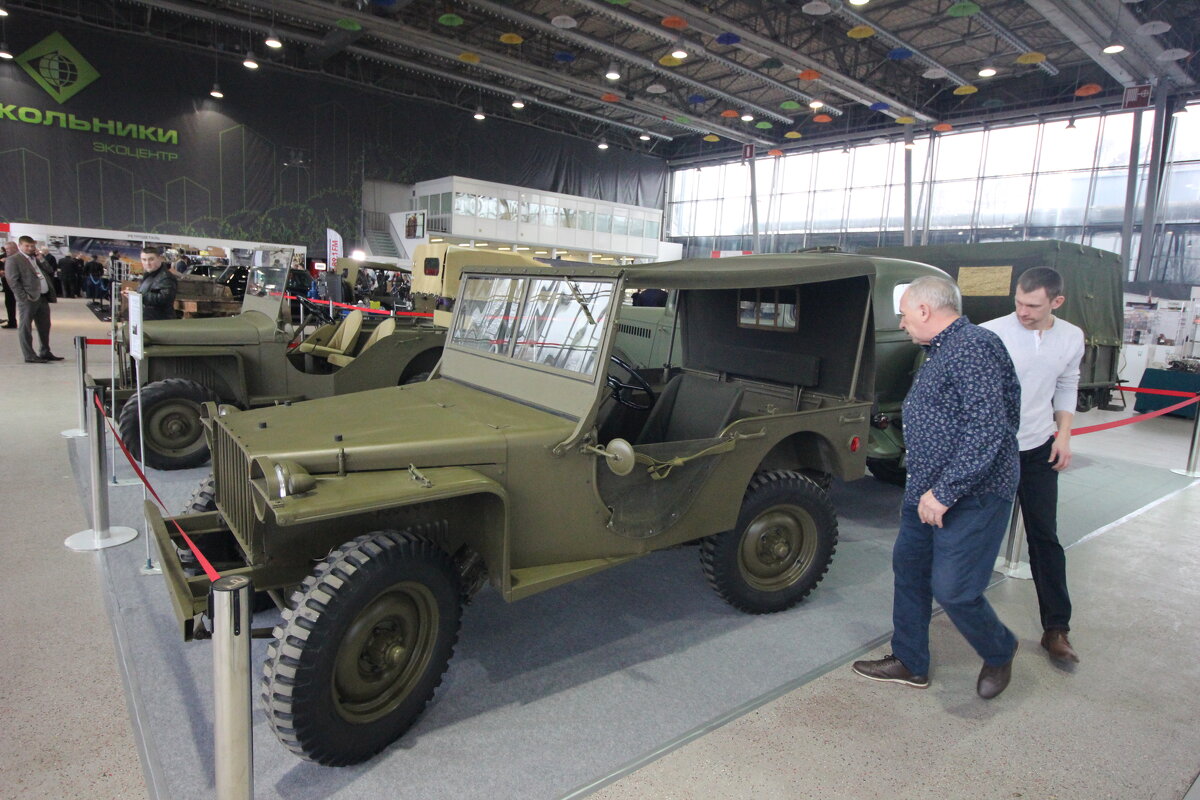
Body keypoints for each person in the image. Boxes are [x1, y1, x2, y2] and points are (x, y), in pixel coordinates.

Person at [853, 275, 1021, 699]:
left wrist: (946, 492)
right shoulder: (939, 351)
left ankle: (1000, 650)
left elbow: (989, 429)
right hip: (925, 491)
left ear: (925, 311)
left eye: (905, 315)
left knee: (955, 590)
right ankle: (910, 662)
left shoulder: (974, 347)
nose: (903, 323)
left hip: (971, 493)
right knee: (910, 572)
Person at [981, 268, 1085, 664]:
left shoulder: (1071, 337)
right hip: (993, 453)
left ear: (1056, 302)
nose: (1023, 312)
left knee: (1046, 539)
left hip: (1040, 448)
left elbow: (1067, 384)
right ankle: (968, 617)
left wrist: (1063, 435)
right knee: (979, 535)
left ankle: (1056, 629)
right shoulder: (991, 333)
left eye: (1033, 306)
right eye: (1019, 303)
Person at [6, 235, 62, 363]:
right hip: (28, 299)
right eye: (27, 246)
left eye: (32, 246)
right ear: (20, 246)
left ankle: (45, 351)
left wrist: (41, 258)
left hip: (42, 297)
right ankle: (29, 355)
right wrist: (23, 297)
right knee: (25, 327)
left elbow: (49, 270)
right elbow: (13, 281)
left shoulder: (36, 258)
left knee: (45, 326)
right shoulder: (14, 260)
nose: (30, 248)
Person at [132, 245, 178, 321]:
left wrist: (139, 296)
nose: (147, 263)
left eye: (151, 259)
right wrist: (133, 293)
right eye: (144, 260)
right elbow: (146, 292)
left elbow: (164, 299)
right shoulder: (149, 275)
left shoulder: (166, 277)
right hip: (149, 320)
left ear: (159, 259)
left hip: (160, 323)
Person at [1, 241, 18, 327]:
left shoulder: (19, 257)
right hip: (7, 285)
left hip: (16, 284)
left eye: (8, 249)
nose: (6, 251)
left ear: (14, 248)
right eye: (5, 249)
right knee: (9, 303)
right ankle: (12, 321)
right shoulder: (3, 256)